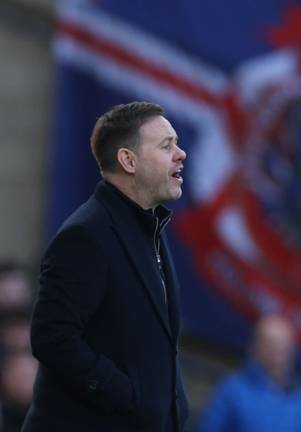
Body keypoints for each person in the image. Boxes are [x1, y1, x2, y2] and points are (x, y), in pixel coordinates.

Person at [22, 101, 189, 432]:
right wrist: (126, 396)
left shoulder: (149, 229)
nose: (180, 154)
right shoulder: (86, 236)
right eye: (166, 146)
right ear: (128, 160)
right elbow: (52, 338)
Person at [197, 315, 301, 432]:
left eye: (285, 345)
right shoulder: (233, 390)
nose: (280, 351)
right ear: (255, 347)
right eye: (272, 344)